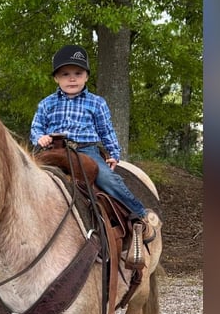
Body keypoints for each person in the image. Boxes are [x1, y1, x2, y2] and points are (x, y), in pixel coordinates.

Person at [30, 44, 151, 265]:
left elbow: (106, 130)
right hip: (54, 150)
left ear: (86, 76)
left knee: (107, 179)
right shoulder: (46, 103)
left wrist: (114, 153)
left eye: (77, 73)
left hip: (85, 150)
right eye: (65, 74)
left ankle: (141, 214)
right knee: (26, 178)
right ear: (56, 78)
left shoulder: (96, 103)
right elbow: (36, 128)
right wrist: (40, 138)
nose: (72, 79)